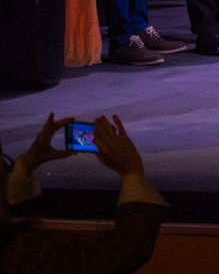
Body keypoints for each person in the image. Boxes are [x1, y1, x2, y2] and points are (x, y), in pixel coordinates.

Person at [1, 113, 165, 272]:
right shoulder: (19, 257)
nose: (5, 166)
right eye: (4, 165)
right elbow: (130, 248)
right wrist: (131, 170)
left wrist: (29, 162)